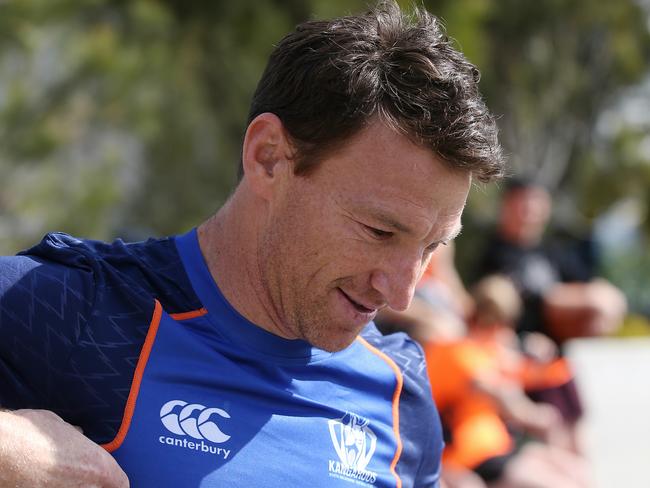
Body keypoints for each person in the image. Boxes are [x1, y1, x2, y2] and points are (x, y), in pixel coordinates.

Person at [0, 2, 505, 487]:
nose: (400, 295)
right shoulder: (74, 311)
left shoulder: (402, 394)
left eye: (431, 247)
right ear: (268, 158)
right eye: (380, 232)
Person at [425, 275, 591, 488]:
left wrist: (554, 365)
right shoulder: (457, 352)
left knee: (577, 471)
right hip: (468, 456)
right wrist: (533, 415)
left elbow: (526, 372)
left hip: (498, 447)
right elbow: (498, 393)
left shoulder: (484, 350)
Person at [479, 178, 627, 343]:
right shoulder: (495, 253)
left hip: (563, 346)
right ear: (507, 206)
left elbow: (596, 289)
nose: (530, 214)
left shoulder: (553, 251)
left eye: (537, 206)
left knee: (605, 303)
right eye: (524, 205)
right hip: (524, 342)